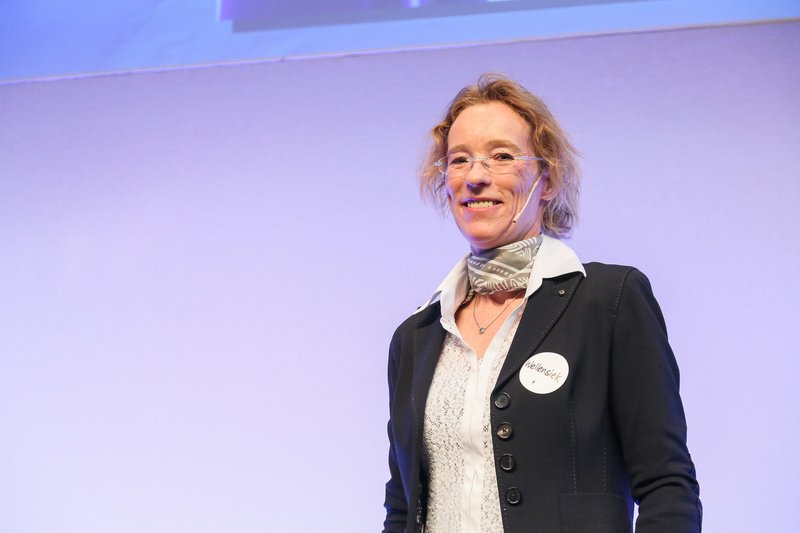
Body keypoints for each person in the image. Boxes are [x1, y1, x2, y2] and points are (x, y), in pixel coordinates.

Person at [382, 74, 701, 533]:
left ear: (547, 179)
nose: (476, 177)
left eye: (502, 156)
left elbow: (666, 485)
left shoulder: (608, 302)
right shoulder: (415, 337)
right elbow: (401, 508)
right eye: (459, 160)